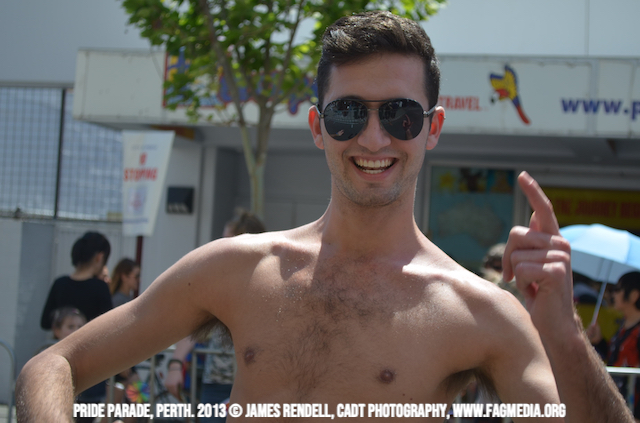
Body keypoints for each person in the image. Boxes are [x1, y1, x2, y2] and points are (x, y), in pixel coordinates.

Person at [17, 11, 633, 423]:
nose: (373, 138)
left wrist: (564, 335)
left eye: (400, 115)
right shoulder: (236, 270)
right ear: (317, 126)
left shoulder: (477, 313)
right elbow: (52, 365)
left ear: (432, 129)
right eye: (347, 113)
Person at [165, 208, 266, 422]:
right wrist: (175, 365)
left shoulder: (267, 285)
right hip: (216, 386)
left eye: (227, 240)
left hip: (256, 388)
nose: (219, 246)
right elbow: (195, 326)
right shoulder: (216, 283)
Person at [588, 271, 640, 421]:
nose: (613, 294)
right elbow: (614, 359)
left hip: (632, 411)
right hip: (615, 406)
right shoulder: (623, 327)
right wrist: (599, 341)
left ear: (634, 295)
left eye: (617, 289)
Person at [40, 231, 113, 330]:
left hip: (64, 340)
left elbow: (45, 322)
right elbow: (109, 326)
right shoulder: (100, 287)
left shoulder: (60, 283)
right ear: (99, 257)